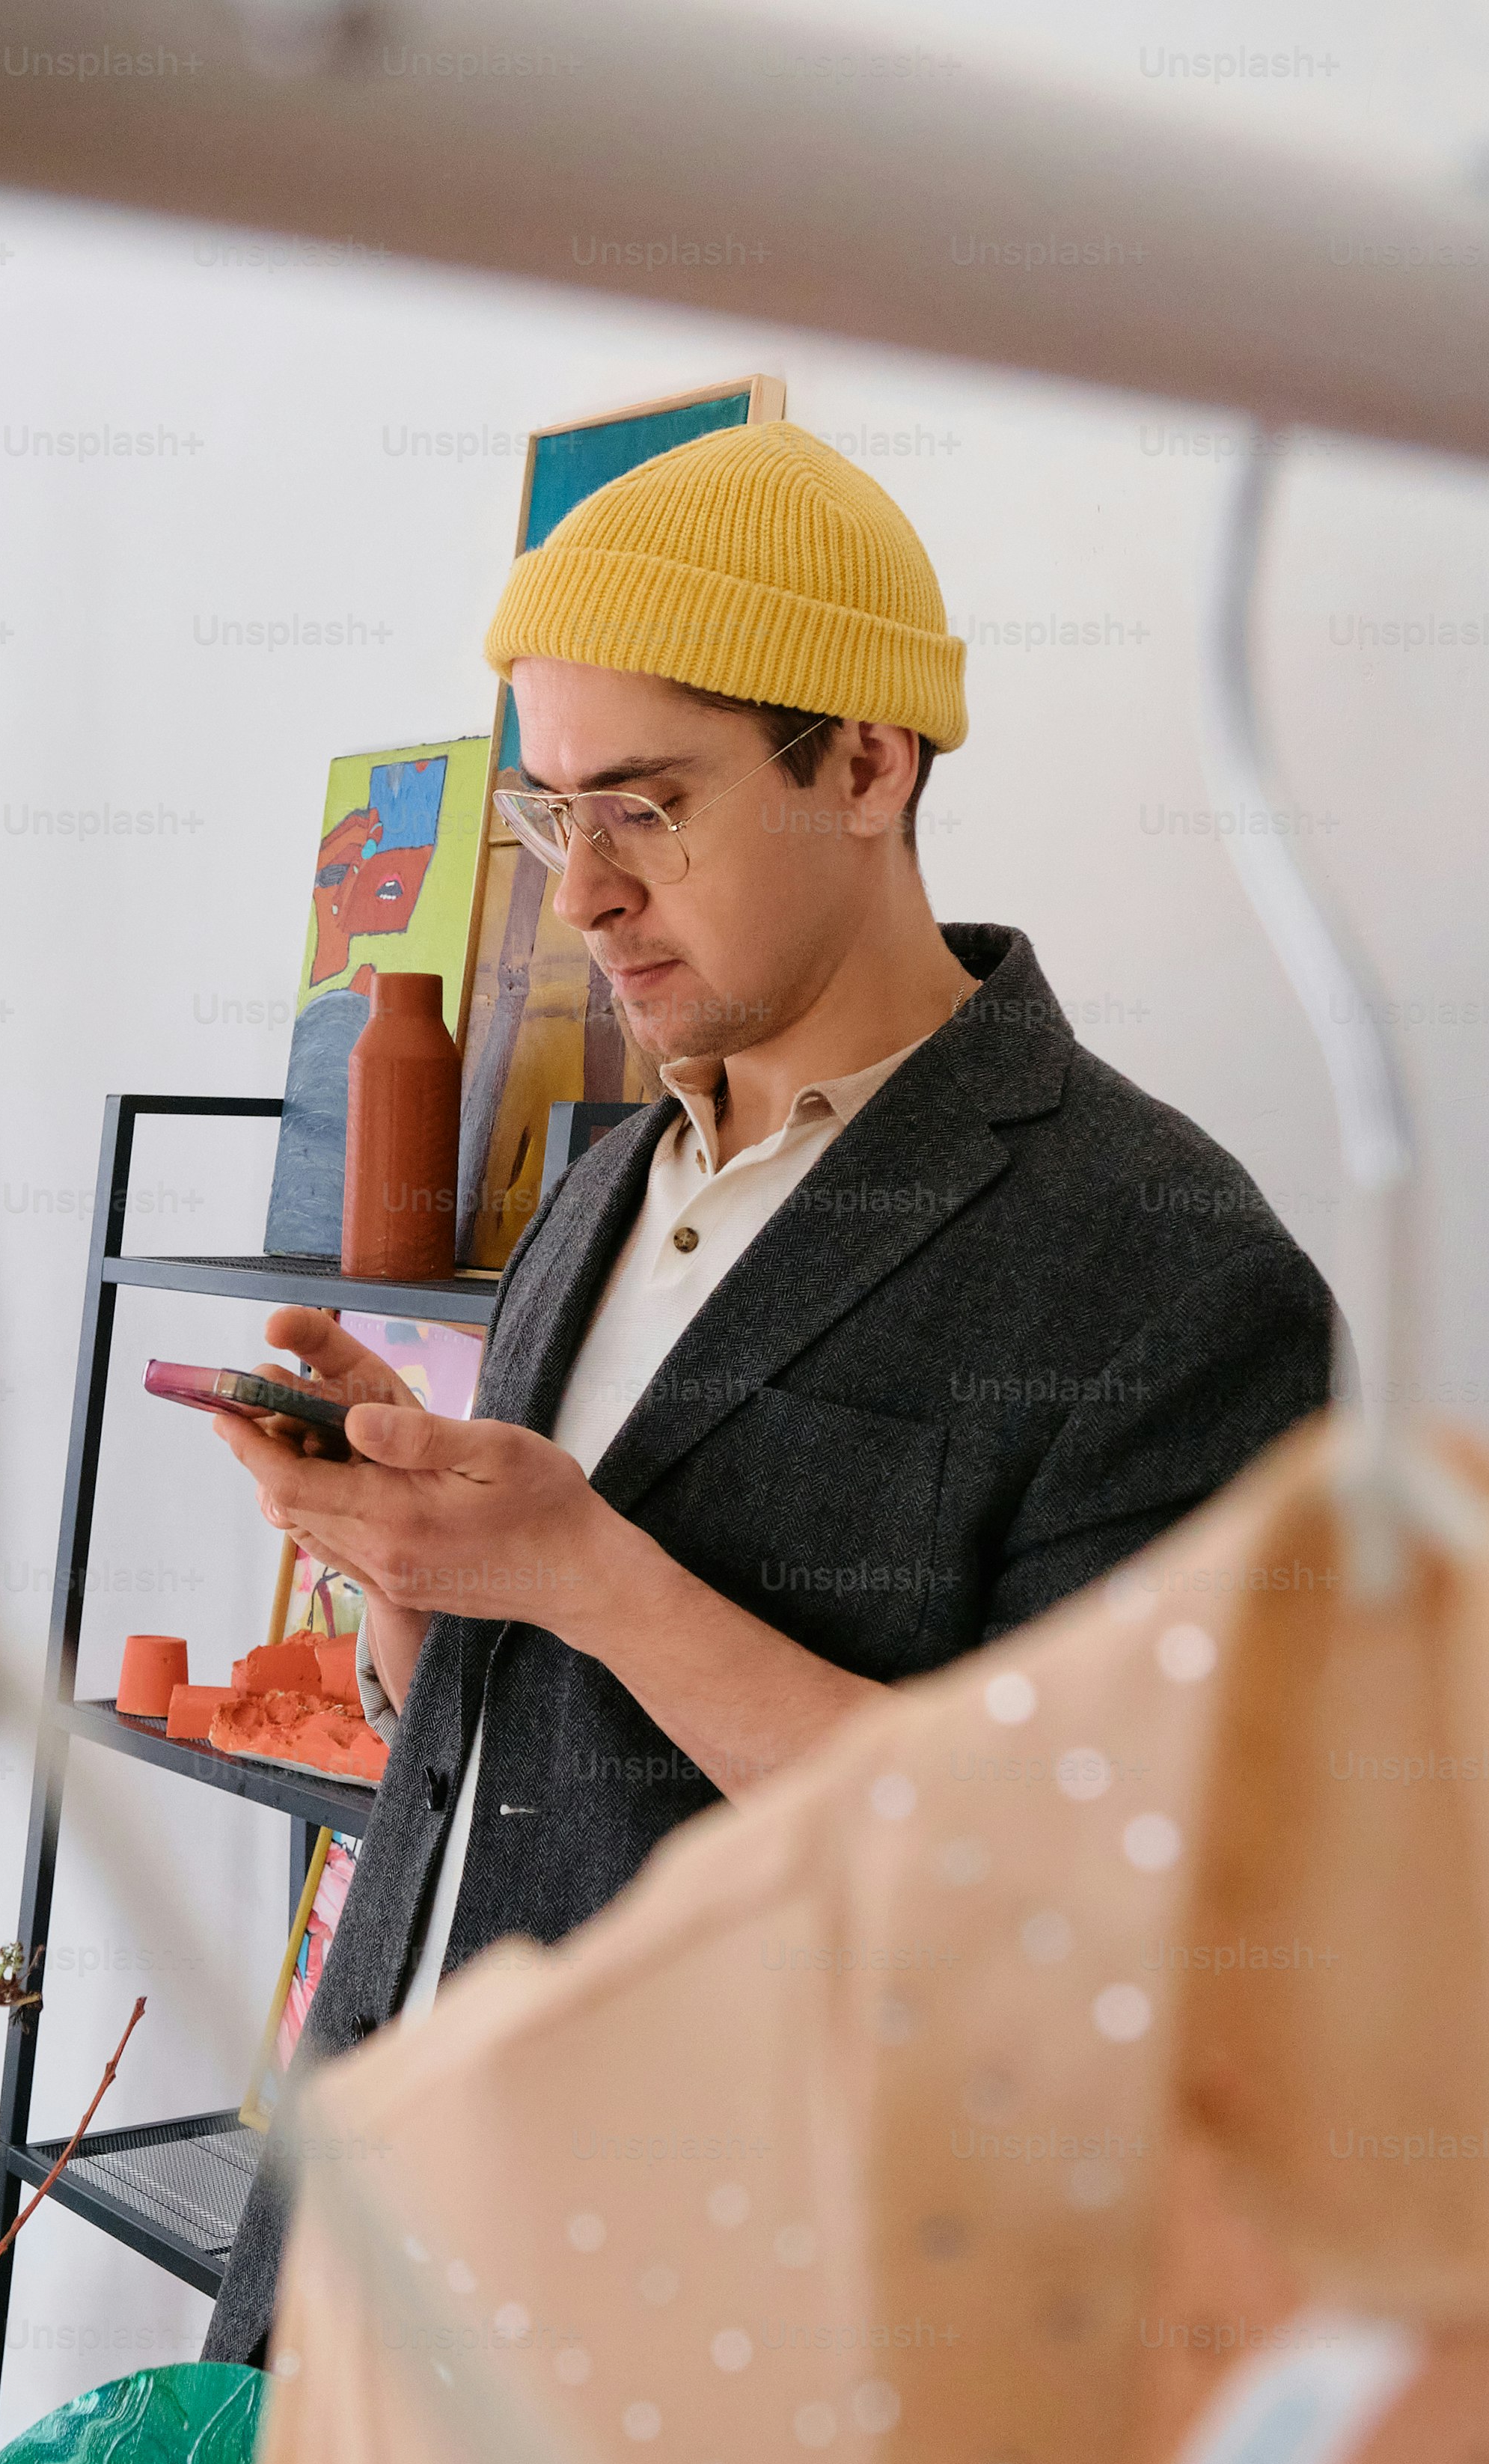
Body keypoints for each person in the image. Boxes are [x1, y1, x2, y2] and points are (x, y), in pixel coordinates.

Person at [197, 420, 1336, 2361]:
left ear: (868, 765)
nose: (584, 898)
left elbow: (1087, 1916)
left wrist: (587, 1574)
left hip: (742, 2349)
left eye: (648, 808)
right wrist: (409, 1585)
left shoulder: (1171, 1272)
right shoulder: (611, 1178)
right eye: (555, 819)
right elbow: (494, 1755)